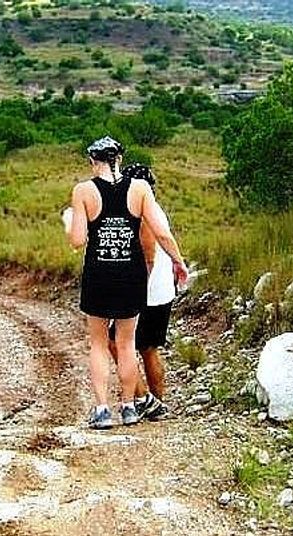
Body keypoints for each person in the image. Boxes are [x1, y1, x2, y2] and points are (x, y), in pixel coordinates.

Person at [63, 137, 188, 430]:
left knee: (97, 343)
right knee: (127, 343)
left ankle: (102, 409)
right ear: (120, 158)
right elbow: (161, 232)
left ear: (93, 160)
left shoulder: (83, 190)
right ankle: (129, 407)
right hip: (131, 274)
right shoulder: (141, 189)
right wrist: (178, 262)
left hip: (99, 273)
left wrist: (70, 224)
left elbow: (78, 240)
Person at [109, 163, 177, 421]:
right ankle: (155, 402)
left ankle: (144, 399)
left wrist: (133, 290)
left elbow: (147, 255)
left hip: (146, 292)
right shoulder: (155, 210)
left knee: (116, 342)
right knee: (148, 347)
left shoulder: (141, 213)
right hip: (161, 290)